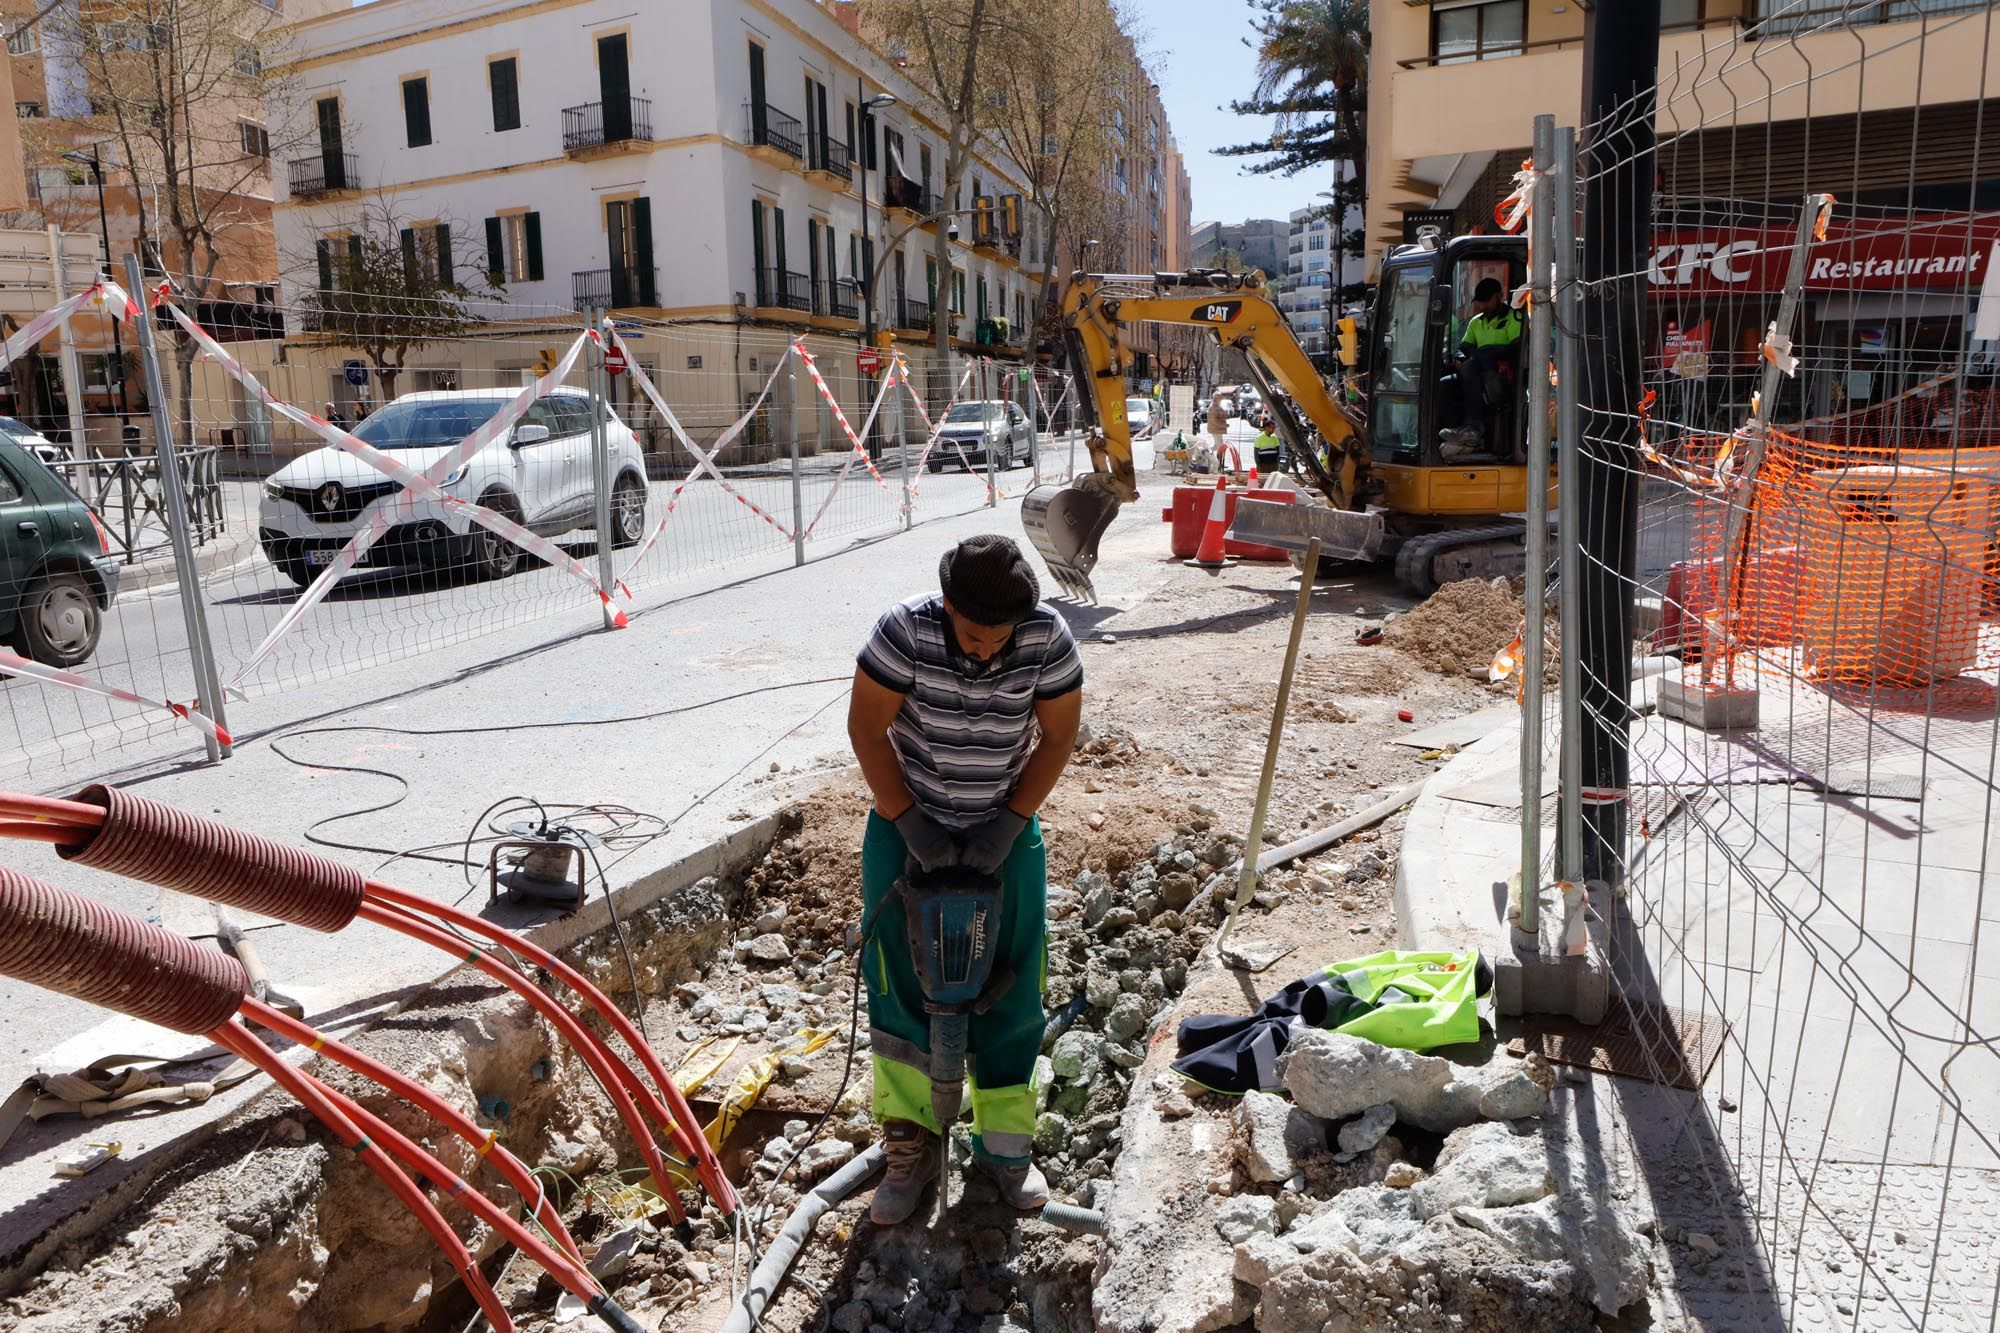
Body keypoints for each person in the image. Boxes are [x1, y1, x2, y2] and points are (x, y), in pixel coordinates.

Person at [847, 534, 1084, 1226]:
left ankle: (1005, 1150)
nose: (987, 650)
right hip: (905, 823)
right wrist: (912, 824)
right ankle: (911, 1147)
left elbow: (1060, 735)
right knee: (898, 988)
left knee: (1012, 988)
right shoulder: (905, 631)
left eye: (999, 638)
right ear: (948, 605)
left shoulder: (1045, 638)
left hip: (1002, 832)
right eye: (976, 635)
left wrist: (1009, 823)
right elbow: (868, 729)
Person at [1445, 277, 1523, 456]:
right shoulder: (1476, 322)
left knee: (1470, 368)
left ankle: (1474, 427)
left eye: (1486, 301)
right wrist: (1462, 358)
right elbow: (1464, 348)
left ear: (1499, 296)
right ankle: (1458, 432)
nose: (1482, 307)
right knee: (1445, 384)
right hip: (1478, 372)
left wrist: (1483, 357)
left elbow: (1514, 350)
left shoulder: (1514, 318)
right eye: (1479, 302)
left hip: (1503, 376)